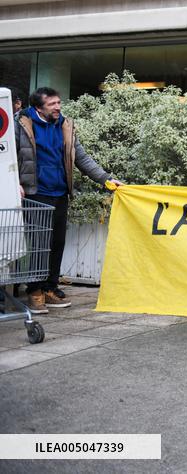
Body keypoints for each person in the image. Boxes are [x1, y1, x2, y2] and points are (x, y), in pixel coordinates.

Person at [14, 87, 122, 314]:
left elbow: (81, 157)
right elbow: (7, 157)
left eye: (58, 102)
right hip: (36, 193)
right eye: (52, 104)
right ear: (38, 108)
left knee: (57, 243)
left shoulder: (64, 125)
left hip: (60, 193)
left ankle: (50, 288)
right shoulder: (21, 125)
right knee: (39, 244)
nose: (58, 107)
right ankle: (34, 292)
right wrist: (14, 182)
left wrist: (106, 179)